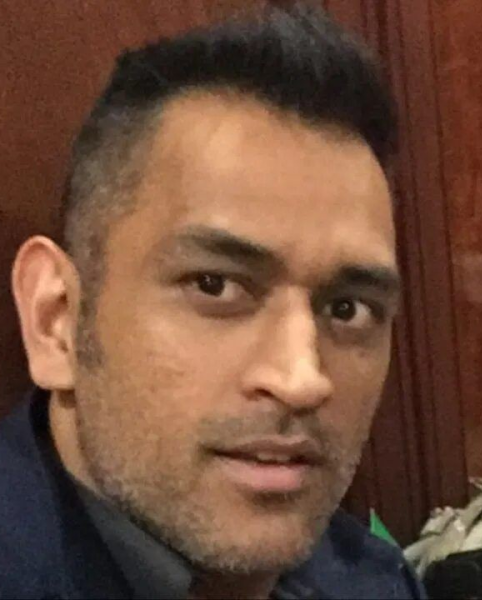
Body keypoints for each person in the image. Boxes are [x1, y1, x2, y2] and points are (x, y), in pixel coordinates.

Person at [1, 4, 423, 598]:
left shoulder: (371, 578)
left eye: (347, 309)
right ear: (57, 320)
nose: (302, 379)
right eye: (215, 285)